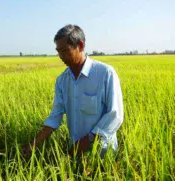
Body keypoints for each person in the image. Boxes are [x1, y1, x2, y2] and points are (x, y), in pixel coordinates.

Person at [23, 24, 124, 158]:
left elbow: (115, 115)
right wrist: (34, 144)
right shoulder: (62, 81)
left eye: (65, 50)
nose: (61, 56)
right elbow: (55, 117)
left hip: (103, 154)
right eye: (58, 51)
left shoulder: (105, 74)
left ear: (81, 46)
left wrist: (85, 141)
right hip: (76, 153)